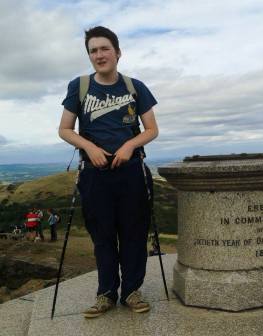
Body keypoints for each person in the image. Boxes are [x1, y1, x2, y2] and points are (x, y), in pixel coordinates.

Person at [58, 26, 159, 318]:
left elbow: (152, 129)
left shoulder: (135, 86)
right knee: (102, 235)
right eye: (93, 50)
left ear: (117, 52)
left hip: (131, 171)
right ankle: (105, 294)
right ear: (89, 55)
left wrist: (129, 145)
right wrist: (88, 147)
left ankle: (131, 291)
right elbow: (65, 129)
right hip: (94, 173)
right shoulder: (78, 86)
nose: (99, 55)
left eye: (104, 49)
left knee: (134, 233)